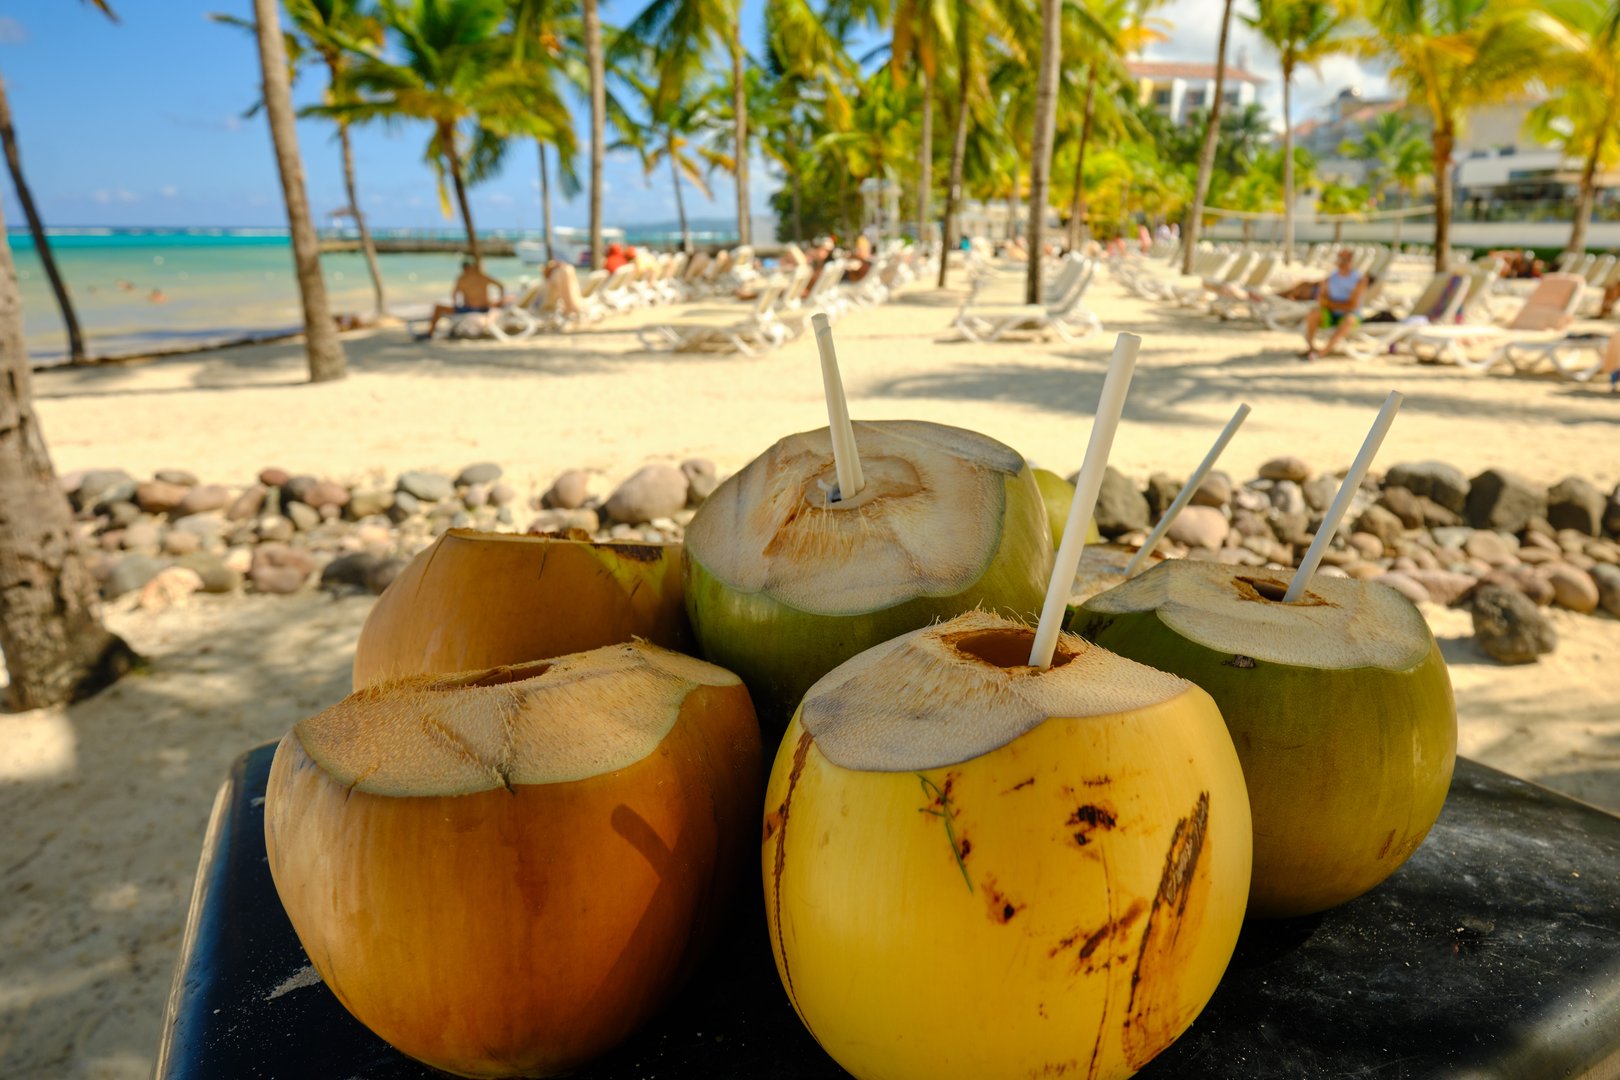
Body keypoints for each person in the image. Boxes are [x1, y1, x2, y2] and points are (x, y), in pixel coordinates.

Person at [1301, 248, 1367, 360]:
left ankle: (1323, 352)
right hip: (1332, 313)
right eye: (1340, 258)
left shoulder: (1359, 279)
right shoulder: (1331, 278)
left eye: (1344, 258)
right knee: (1313, 314)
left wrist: (1329, 304)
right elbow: (1321, 299)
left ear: (1350, 260)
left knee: (1349, 320)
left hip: (1350, 315)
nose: (1341, 261)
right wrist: (1330, 304)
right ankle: (1311, 348)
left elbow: (1352, 305)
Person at [417, 257, 506, 340]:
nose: (466, 269)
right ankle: (432, 333)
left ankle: (430, 333)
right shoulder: (482, 277)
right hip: (481, 308)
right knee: (439, 307)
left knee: (438, 307)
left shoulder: (463, 278)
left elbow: (454, 295)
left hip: (471, 309)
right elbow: (500, 286)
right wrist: (500, 298)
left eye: (466, 267)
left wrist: (457, 305)